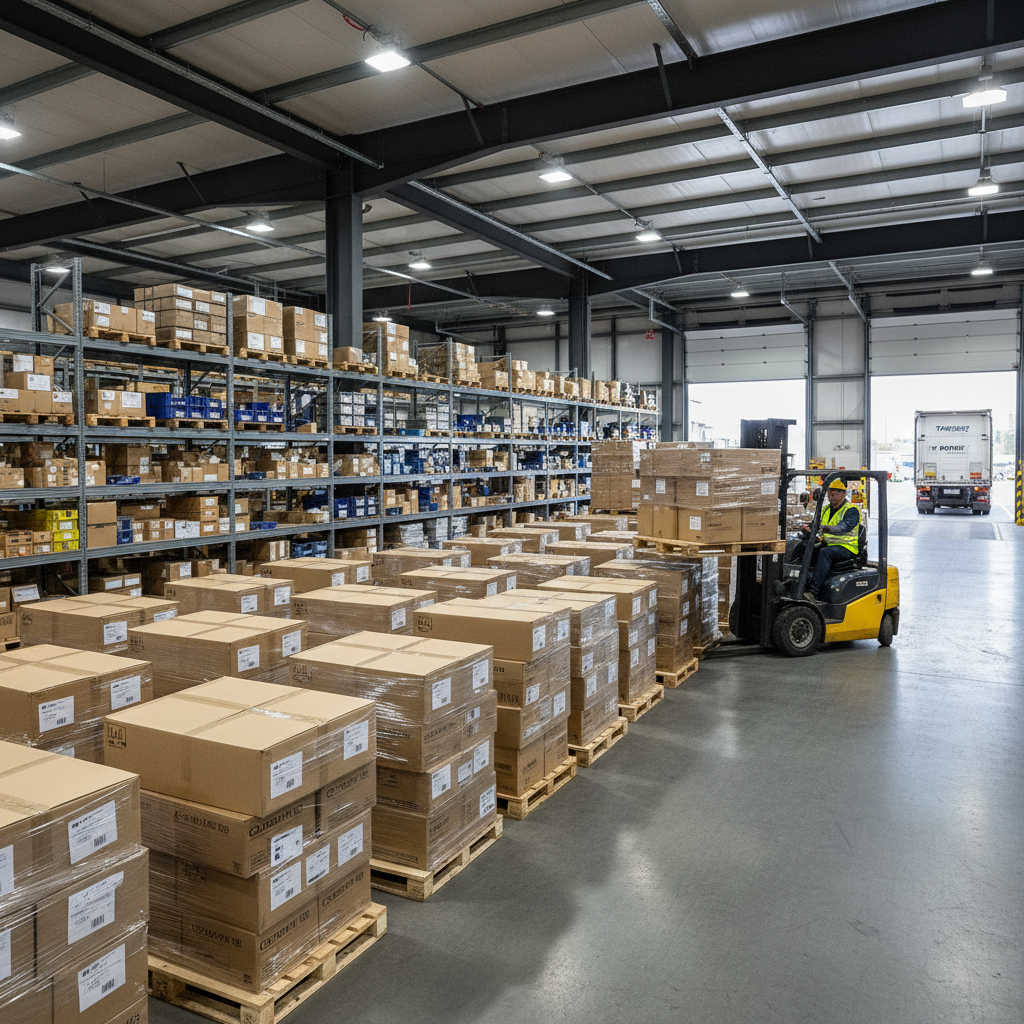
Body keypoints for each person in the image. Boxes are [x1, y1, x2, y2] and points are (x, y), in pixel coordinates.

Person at [791, 479, 861, 602]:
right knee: (803, 546)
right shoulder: (826, 509)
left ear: (843, 494)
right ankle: (796, 582)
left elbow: (842, 528)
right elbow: (816, 525)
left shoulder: (851, 510)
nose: (831, 497)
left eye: (834, 494)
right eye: (829, 494)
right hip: (828, 544)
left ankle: (813, 591)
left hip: (846, 548)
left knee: (826, 552)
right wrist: (807, 529)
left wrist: (823, 528)